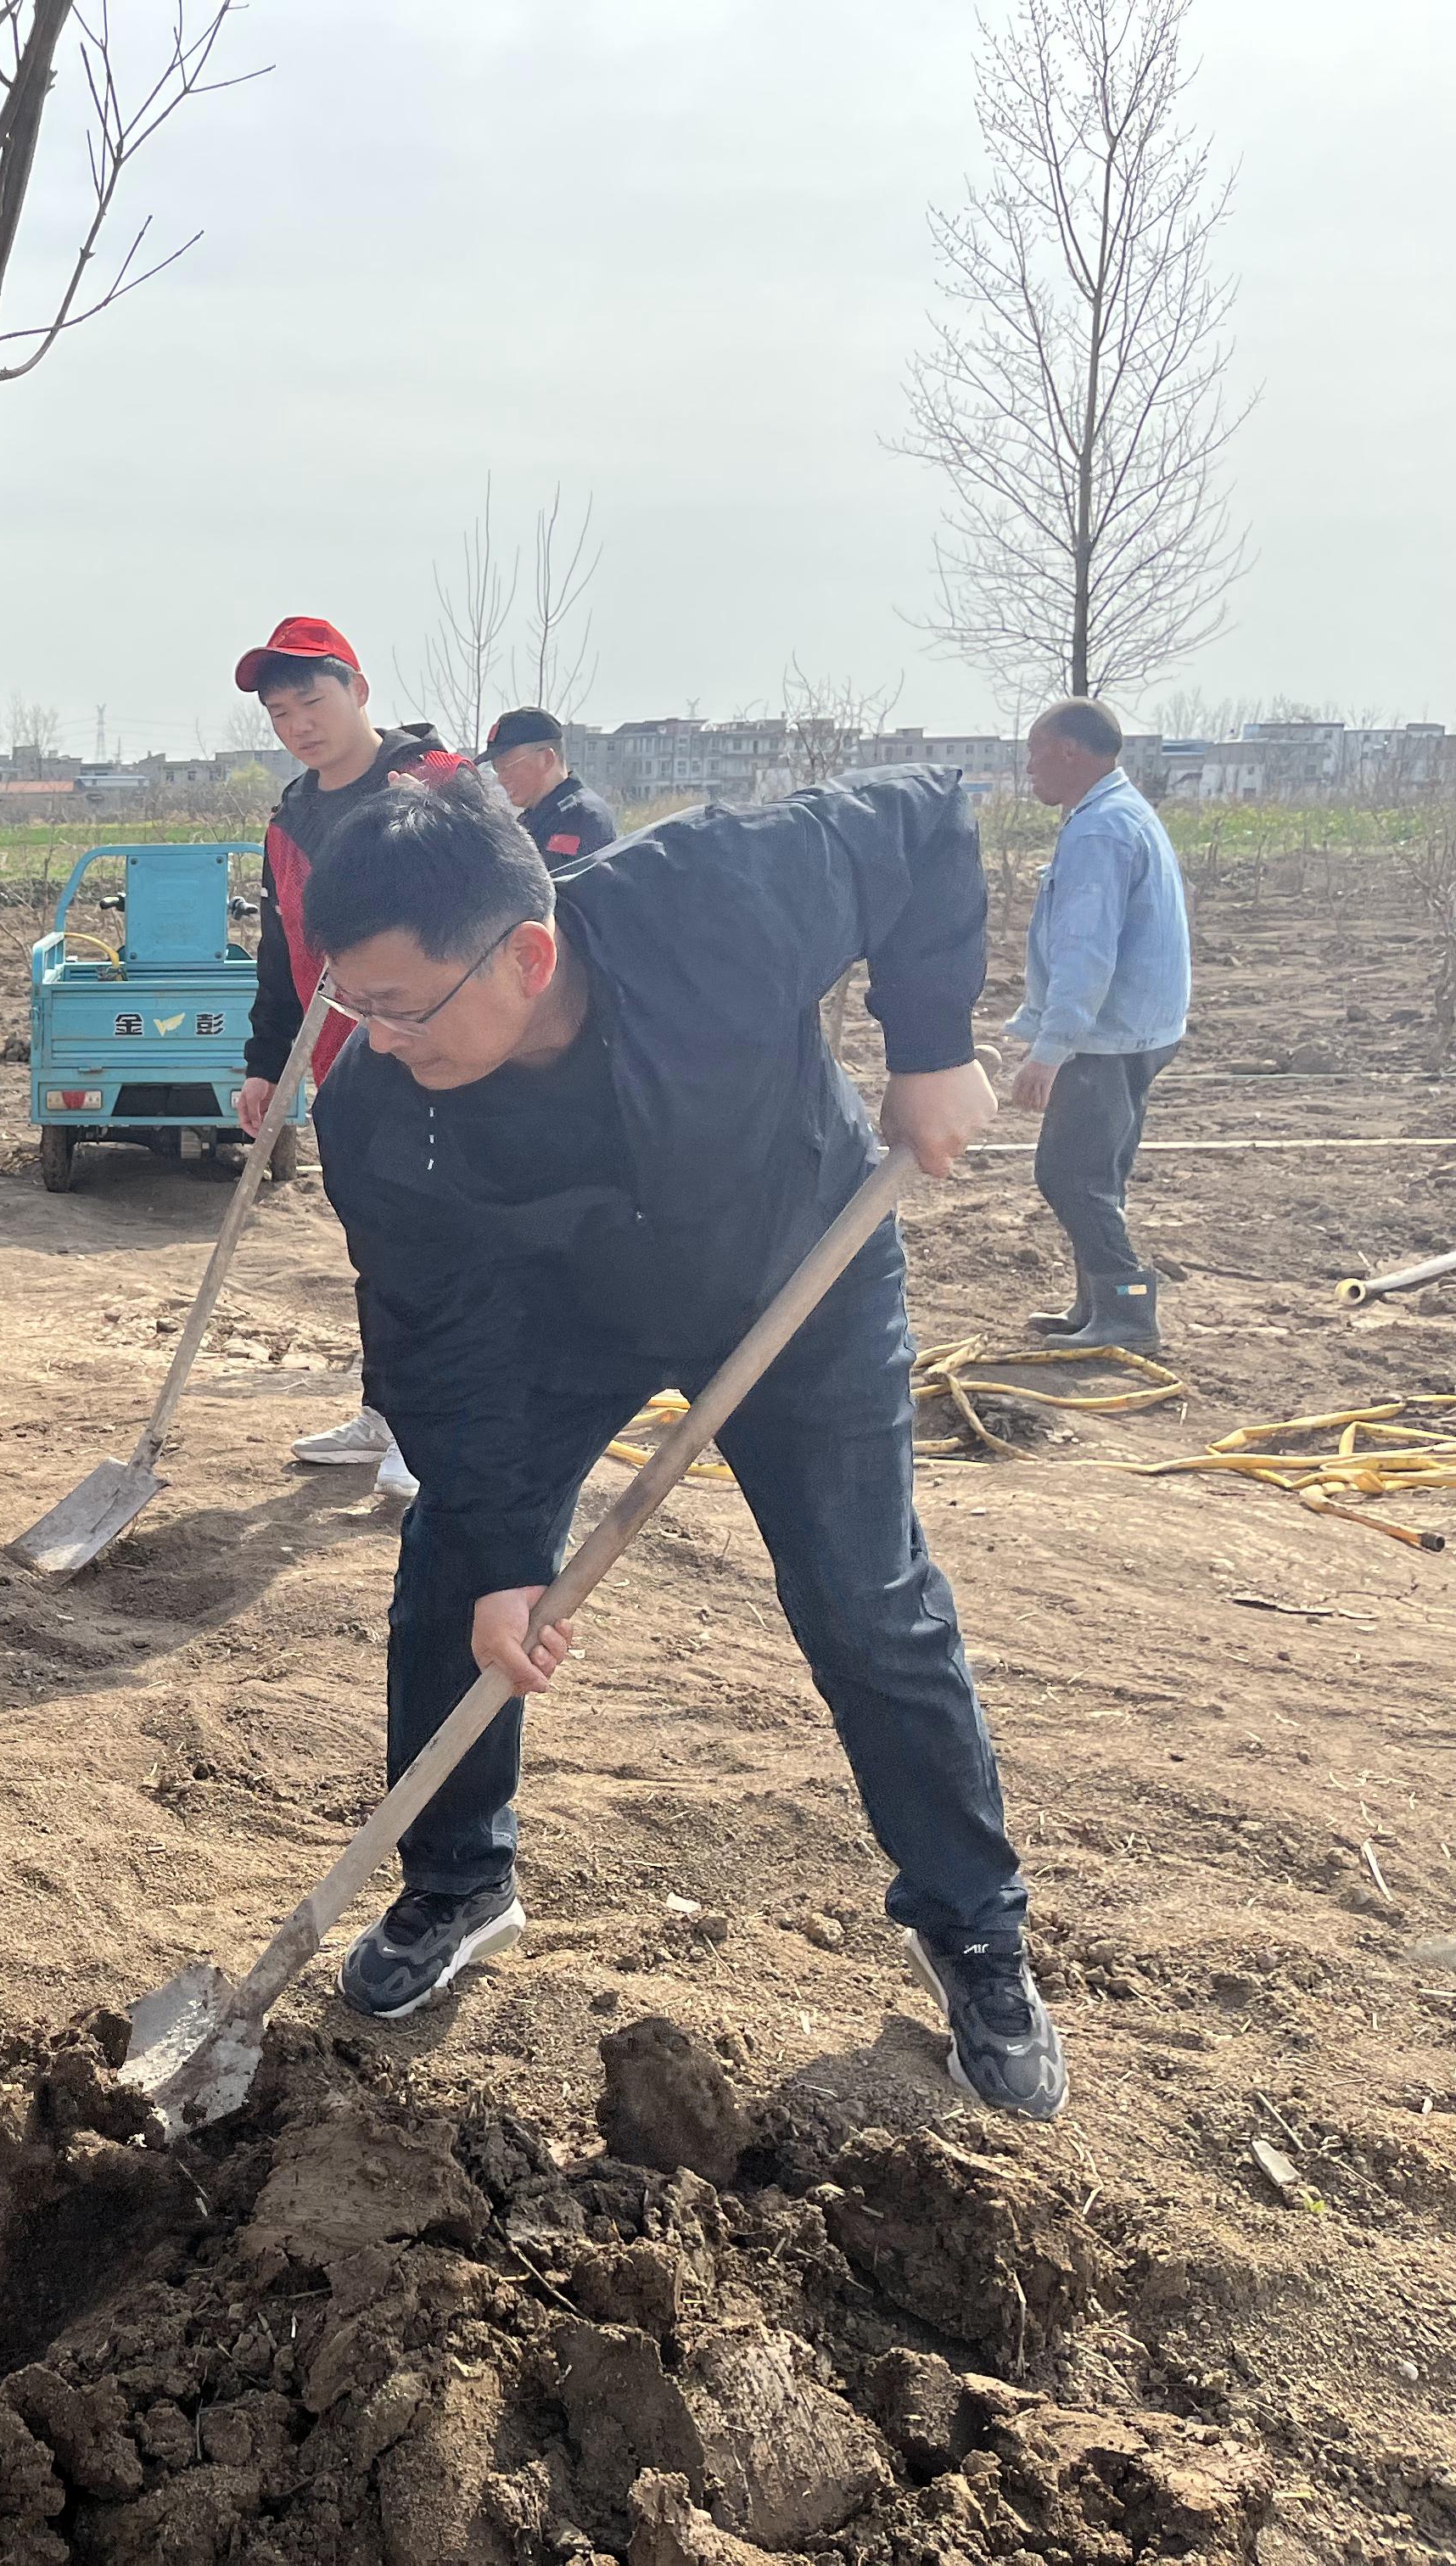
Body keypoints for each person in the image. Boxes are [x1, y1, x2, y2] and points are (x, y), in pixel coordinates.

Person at [298, 761, 1063, 2120]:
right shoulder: (377, 1105)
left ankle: (973, 1926)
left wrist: (933, 1047)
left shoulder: (719, 893)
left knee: (866, 1601)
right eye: (355, 1003)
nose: (383, 1036)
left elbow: (927, 821)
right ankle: (457, 1883)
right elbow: (435, 1343)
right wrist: (499, 1561)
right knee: (450, 1581)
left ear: (526, 955)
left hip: (796, 1274)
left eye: (403, 1003)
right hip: (557, 1315)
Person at [225, 616, 468, 1501]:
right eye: (279, 713)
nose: (298, 725)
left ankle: (437, 1424)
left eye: (311, 701)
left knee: (439, 1240)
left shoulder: (436, 785)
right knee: (376, 1240)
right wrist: (265, 1060)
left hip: (444, 1057)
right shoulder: (290, 821)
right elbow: (278, 951)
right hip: (345, 1064)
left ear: (358, 691)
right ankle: (386, 1409)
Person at [1007, 698, 1190, 1353]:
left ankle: (1128, 1313)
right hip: (1139, 1028)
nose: (1028, 768)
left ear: (1067, 751)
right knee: (1096, 1173)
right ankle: (1098, 1306)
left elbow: (1085, 952)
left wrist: (1049, 1049)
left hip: (1105, 1037)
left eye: (1034, 752)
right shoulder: (1121, 812)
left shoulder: (1099, 830)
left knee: (1069, 1175)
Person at [476, 705, 619, 861]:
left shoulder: (583, 818)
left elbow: (555, 876)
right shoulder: (537, 817)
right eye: (497, 769)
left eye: (507, 767)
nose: (502, 778)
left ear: (546, 759)